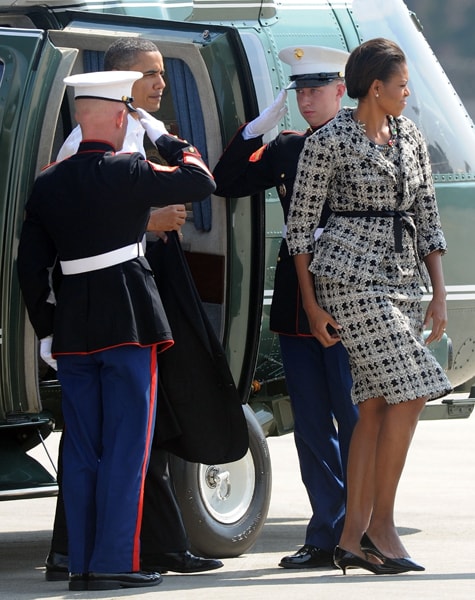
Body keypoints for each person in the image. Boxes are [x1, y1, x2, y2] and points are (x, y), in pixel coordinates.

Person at [17, 70, 216, 591]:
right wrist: (163, 135)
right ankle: (113, 563)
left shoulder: (47, 182)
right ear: (117, 115)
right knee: (128, 447)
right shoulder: (128, 168)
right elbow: (200, 179)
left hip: (73, 330)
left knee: (82, 449)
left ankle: (80, 562)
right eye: (128, 110)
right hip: (127, 321)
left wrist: (46, 326)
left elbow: (29, 265)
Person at [286, 37, 452, 575]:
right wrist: (311, 305)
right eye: (402, 85)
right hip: (348, 279)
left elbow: (428, 215)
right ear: (375, 88)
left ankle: (351, 538)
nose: (408, 93)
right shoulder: (329, 140)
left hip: (403, 280)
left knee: (378, 403)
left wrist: (440, 293)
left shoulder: (409, 135)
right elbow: (300, 230)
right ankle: (382, 526)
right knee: (417, 388)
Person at [213, 46, 359, 569]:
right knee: (314, 427)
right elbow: (225, 182)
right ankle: (324, 534)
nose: (307, 100)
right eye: (299, 92)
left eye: (317, 90)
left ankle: (360, 532)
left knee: (355, 421)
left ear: (340, 91)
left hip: (349, 300)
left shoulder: (361, 143)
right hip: (299, 306)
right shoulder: (288, 148)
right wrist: (255, 131)